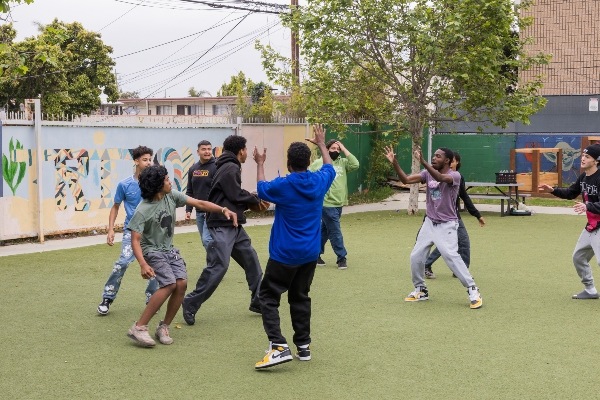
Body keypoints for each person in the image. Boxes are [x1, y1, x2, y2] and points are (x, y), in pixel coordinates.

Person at [126, 165, 237, 347]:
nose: (170, 182)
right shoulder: (143, 209)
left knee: (181, 284)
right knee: (169, 284)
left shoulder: (171, 195)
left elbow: (200, 203)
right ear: (157, 185)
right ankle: (139, 327)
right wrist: (143, 264)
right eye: (167, 180)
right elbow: (135, 240)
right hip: (152, 250)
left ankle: (163, 327)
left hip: (169, 249)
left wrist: (223, 210)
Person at [254, 124, 336, 369]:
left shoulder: (283, 185)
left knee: (267, 296)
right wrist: (322, 143)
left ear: (288, 163)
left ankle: (278, 346)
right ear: (309, 161)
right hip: (310, 254)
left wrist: (260, 163)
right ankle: (303, 345)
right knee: (300, 296)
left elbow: (260, 189)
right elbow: (329, 166)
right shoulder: (320, 181)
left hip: (284, 254)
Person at [384, 145, 483, 309]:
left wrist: (422, 161)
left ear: (448, 161)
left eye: (438, 156)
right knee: (416, 256)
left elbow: (440, 177)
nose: (434, 158)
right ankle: (420, 289)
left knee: (450, 256)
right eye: (433, 156)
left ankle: (472, 289)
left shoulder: (454, 175)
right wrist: (394, 162)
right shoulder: (426, 174)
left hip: (448, 224)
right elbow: (406, 180)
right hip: (430, 222)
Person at [182, 135, 264, 326]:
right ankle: (190, 302)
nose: (246, 153)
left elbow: (230, 195)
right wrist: (254, 199)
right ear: (241, 150)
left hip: (234, 224)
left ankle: (258, 300)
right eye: (245, 149)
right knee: (219, 266)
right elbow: (234, 193)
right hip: (221, 223)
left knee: (251, 259)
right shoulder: (230, 167)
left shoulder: (226, 165)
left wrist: (250, 200)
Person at [97, 145, 158, 316]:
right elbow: (115, 207)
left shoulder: (155, 184)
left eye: (150, 160)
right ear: (136, 161)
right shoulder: (124, 184)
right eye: (145, 160)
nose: (148, 163)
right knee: (122, 263)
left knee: (156, 265)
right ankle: (107, 298)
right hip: (131, 232)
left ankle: (152, 298)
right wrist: (110, 230)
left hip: (152, 232)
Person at [539, 144, 600, 300]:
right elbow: (571, 193)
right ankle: (590, 290)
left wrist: (587, 205)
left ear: (596, 160)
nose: (583, 158)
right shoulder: (583, 177)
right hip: (591, 226)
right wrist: (553, 190)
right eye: (583, 156)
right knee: (578, 257)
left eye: (587, 157)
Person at [424, 152, 485, 279]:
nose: (450, 163)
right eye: (449, 161)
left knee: (463, 243)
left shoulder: (457, 177)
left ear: (456, 162)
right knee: (445, 245)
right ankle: (426, 264)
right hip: (439, 217)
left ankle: (461, 271)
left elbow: (464, 196)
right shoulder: (437, 175)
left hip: (454, 217)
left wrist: (477, 214)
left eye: (453, 161)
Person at [309, 139, 359, 270]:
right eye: (333, 148)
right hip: (326, 203)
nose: (336, 151)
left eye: (338, 149)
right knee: (335, 230)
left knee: (325, 230)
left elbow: (355, 164)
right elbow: (309, 177)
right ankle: (341, 258)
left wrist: (343, 147)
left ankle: (314, 255)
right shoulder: (319, 163)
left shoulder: (342, 163)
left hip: (339, 202)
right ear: (326, 149)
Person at [185, 140, 216, 249]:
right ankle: (215, 263)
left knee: (207, 240)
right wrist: (188, 210)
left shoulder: (217, 166)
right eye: (204, 149)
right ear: (198, 152)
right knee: (206, 241)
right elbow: (190, 190)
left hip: (212, 211)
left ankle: (216, 263)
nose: (207, 152)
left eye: (209, 149)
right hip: (199, 212)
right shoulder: (193, 169)